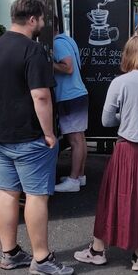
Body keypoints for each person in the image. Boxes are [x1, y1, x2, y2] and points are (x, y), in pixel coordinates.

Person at [0, 0, 73, 275]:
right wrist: (49, 133)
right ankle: (42, 258)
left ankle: (9, 253)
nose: (44, 24)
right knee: (36, 195)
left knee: (8, 191)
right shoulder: (34, 51)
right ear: (33, 19)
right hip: (28, 135)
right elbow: (41, 95)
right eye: (43, 19)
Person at [75, 35, 138, 272]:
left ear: (126, 55)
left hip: (127, 149)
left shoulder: (119, 83)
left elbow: (106, 120)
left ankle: (98, 250)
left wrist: (126, 116)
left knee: (112, 198)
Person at [53, 31, 89, 193]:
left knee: (75, 140)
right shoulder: (67, 40)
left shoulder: (57, 43)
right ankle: (79, 176)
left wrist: (47, 63)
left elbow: (68, 68)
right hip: (78, 94)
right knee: (80, 139)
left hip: (69, 96)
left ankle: (73, 181)